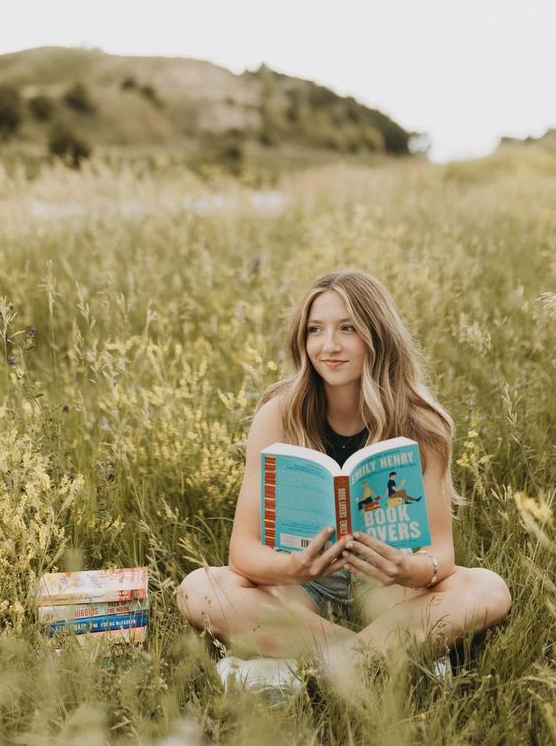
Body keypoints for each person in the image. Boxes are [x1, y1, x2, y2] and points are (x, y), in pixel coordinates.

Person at [177, 268, 511, 691]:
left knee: (488, 588)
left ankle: (296, 668)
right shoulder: (277, 417)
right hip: (302, 587)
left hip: (388, 590)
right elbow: (242, 552)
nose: (328, 345)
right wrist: (294, 567)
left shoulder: (423, 425)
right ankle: (375, 659)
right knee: (199, 589)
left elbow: (440, 552)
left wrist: (408, 568)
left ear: (377, 335)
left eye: (347, 328)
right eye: (315, 330)